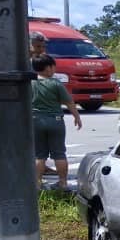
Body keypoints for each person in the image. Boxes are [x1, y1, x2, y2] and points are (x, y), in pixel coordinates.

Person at [31, 53, 83, 189]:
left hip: (36, 120)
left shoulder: (30, 83)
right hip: (56, 121)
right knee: (59, 153)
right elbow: (69, 103)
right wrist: (77, 117)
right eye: (54, 67)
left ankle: (37, 183)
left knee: (39, 155)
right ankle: (63, 182)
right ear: (48, 68)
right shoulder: (55, 83)